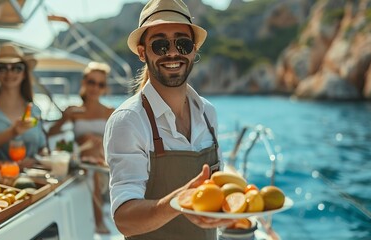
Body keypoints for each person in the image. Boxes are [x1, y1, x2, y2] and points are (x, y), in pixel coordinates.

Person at [103, 0, 235, 239]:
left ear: (194, 50)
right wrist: (179, 200)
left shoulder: (208, 113)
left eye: (182, 44)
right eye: (160, 44)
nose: (173, 52)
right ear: (143, 52)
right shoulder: (128, 121)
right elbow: (124, 219)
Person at [48, 61, 114, 234]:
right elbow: (50, 135)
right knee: (87, 146)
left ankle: (97, 217)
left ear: (105, 88)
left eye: (100, 84)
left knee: (94, 149)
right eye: (91, 82)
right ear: (84, 83)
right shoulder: (74, 111)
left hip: (103, 161)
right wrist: (64, 119)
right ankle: (98, 219)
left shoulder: (110, 112)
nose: (95, 87)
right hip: (82, 159)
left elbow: (117, 140)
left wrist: (99, 140)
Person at [0, 42, 46, 172]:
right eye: (2, 68)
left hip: (32, 183)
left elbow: (42, 148)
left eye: (16, 68)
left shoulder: (34, 110)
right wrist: (13, 131)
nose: (9, 73)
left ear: (24, 73)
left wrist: (34, 160)